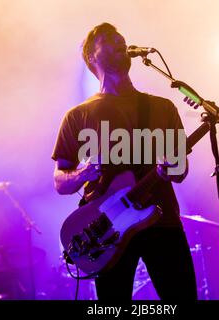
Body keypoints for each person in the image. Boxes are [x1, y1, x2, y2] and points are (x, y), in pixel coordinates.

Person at [52, 22, 197, 301]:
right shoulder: (77, 116)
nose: (120, 43)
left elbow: (181, 170)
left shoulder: (161, 107)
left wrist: (173, 167)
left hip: (161, 219)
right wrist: (84, 173)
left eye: (121, 39)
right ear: (91, 57)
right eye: (109, 40)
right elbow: (60, 182)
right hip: (107, 230)